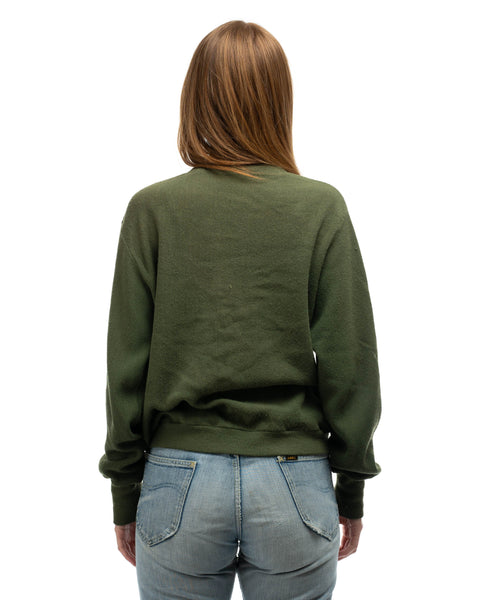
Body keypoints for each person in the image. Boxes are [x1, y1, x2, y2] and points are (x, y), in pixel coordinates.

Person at [98, 19, 381, 600]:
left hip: (178, 482)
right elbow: (350, 360)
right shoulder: (319, 207)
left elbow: (126, 365)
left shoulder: (153, 209)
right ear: (279, 100)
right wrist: (351, 485)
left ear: (195, 98)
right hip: (294, 482)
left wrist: (125, 490)